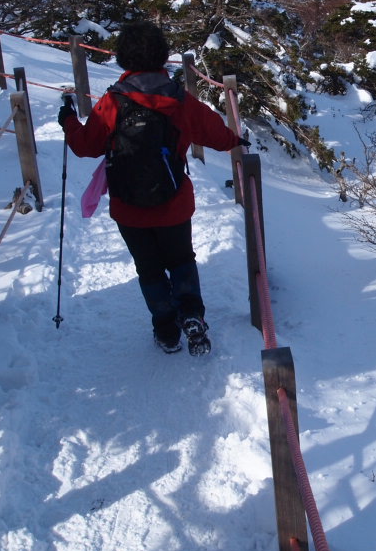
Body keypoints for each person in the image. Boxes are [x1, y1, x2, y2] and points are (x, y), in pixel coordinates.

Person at [58, 20, 245, 355]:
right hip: (173, 202)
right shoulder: (179, 100)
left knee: (149, 268)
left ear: (124, 57)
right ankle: (192, 314)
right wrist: (235, 140)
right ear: (161, 54)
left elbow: (85, 145)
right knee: (181, 259)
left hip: (128, 206)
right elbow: (215, 134)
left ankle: (166, 331)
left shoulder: (113, 101)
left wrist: (68, 120)